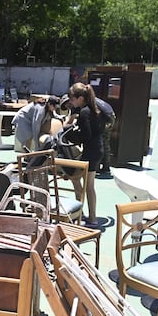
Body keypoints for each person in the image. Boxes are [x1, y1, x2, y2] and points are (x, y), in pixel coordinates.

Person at [63, 82, 113, 227]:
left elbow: (85, 136)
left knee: (80, 182)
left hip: (90, 151)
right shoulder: (94, 109)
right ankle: (90, 216)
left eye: (72, 99)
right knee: (87, 185)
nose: (71, 102)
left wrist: (71, 134)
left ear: (80, 98)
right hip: (97, 150)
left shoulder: (84, 112)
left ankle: (88, 216)